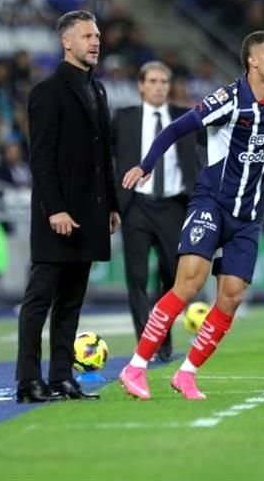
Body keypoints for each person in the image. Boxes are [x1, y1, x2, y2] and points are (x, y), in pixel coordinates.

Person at [118, 31, 264, 401]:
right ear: (252, 61)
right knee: (187, 284)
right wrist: (146, 165)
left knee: (231, 296)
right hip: (212, 204)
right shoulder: (229, 98)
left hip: (249, 213)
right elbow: (176, 127)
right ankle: (135, 366)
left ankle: (186, 374)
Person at [15, 10, 120, 403]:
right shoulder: (47, 91)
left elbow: (102, 157)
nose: (96, 42)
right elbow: (40, 159)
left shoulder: (98, 90)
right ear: (67, 42)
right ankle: (28, 381)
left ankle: (61, 377)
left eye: (97, 35)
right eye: (88, 36)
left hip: (90, 214)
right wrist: (55, 209)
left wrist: (111, 204)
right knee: (39, 299)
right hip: (56, 216)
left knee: (72, 302)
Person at [112, 61, 199, 362]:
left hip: (174, 205)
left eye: (164, 81)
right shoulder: (123, 119)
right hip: (136, 206)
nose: (159, 86)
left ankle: (162, 335)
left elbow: (199, 156)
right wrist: (113, 203)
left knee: (172, 277)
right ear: (141, 85)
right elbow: (110, 160)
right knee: (135, 278)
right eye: (153, 80)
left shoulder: (185, 118)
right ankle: (145, 344)